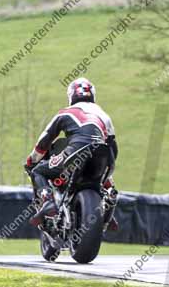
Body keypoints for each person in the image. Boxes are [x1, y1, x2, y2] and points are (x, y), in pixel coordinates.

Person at [24, 78, 118, 228]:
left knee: (38, 171)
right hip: (103, 155)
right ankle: (109, 202)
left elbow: (45, 139)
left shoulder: (65, 113)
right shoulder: (104, 115)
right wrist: (108, 176)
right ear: (93, 95)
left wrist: (32, 159)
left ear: (71, 96)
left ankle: (48, 202)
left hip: (74, 152)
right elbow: (112, 146)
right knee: (108, 185)